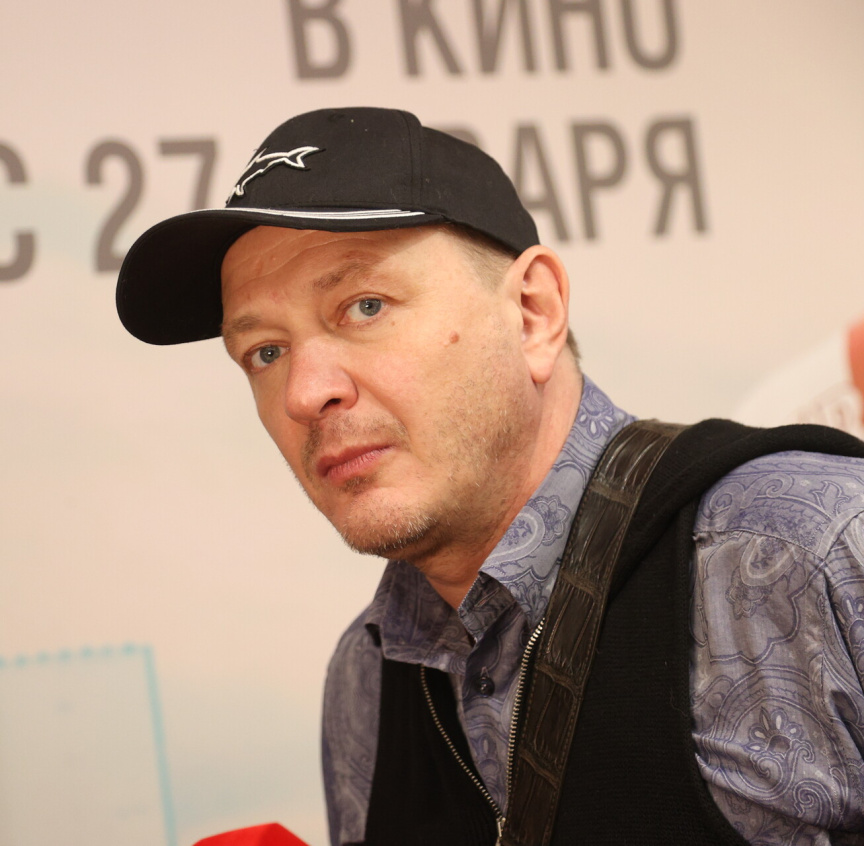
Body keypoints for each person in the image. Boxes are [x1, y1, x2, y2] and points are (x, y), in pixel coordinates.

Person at [115, 107, 864, 845]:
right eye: (266, 353)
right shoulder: (366, 675)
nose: (306, 394)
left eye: (365, 306)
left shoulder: (811, 549)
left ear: (533, 313)